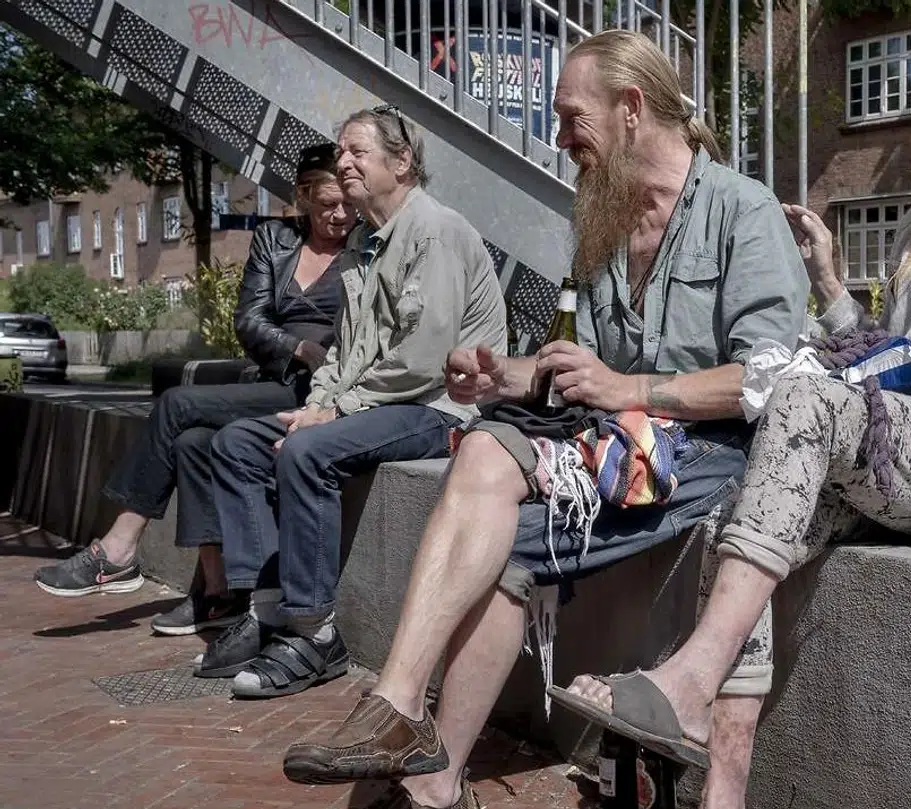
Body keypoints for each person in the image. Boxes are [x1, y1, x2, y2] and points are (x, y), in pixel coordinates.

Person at [555, 9, 911, 806]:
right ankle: (724, 786)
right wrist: (829, 289)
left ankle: (688, 677)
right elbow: (888, 349)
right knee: (739, 506)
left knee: (805, 401)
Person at [278, 30, 809, 809]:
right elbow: (574, 371)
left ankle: (424, 764)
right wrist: (504, 374)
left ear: (631, 109)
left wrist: (632, 387)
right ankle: (409, 728)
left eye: (569, 117)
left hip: (703, 454)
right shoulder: (601, 221)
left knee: (501, 535)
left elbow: (767, 379)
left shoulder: (742, 210)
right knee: (489, 453)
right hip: (613, 442)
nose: (559, 139)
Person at [197, 105, 508, 700]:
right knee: (237, 443)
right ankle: (268, 610)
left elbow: (425, 358)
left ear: (403, 161)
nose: (343, 162)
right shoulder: (368, 241)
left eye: (357, 152)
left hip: (439, 409)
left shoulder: (434, 232)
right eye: (340, 152)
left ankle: (315, 634)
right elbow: (345, 350)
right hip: (383, 400)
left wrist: (333, 414)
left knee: (308, 452)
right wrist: (319, 400)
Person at [33, 144, 357, 638]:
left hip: (325, 393)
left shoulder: (366, 247)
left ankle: (118, 547)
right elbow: (248, 319)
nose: (339, 215)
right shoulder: (275, 238)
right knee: (191, 441)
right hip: (278, 379)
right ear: (304, 198)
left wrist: (326, 359)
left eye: (347, 204)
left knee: (177, 403)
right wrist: (296, 347)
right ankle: (218, 590)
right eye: (327, 204)